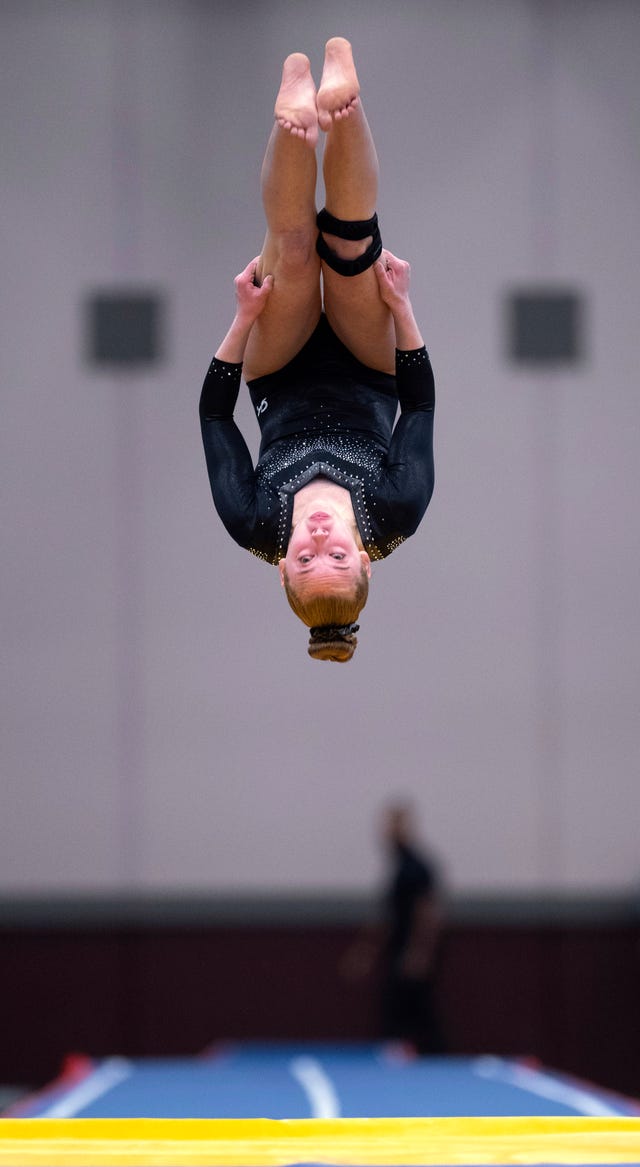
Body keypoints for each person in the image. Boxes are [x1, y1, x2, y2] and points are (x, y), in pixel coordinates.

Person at [200, 38, 435, 662]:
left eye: (306, 558)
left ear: (283, 567)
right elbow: (418, 409)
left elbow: (215, 417)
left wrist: (243, 320)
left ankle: (298, 118)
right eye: (336, 556)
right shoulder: (396, 512)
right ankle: (343, 104)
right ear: (364, 560)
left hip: (278, 370)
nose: (320, 538)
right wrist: (402, 309)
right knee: (350, 244)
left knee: (294, 250)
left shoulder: (253, 523)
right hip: (370, 371)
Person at [343, 802, 446, 1054]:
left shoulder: (416, 866)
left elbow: (428, 912)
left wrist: (419, 953)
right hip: (397, 950)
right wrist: (366, 951)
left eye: (392, 825)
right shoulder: (398, 866)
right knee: (397, 1013)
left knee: (418, 1014)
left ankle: (438, 1060)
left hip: (410, 953)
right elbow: (388, 916)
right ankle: (400, 1060)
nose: (387, 831)